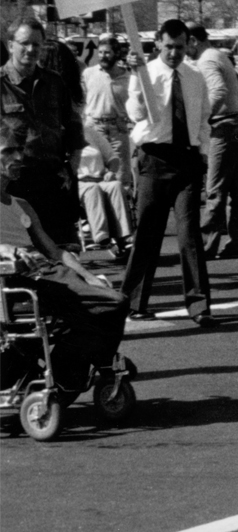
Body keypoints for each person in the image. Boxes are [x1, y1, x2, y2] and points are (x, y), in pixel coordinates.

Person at [0, 117, 129, 408]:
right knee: (114, 304)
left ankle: (65, 371)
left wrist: (87, 275)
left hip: (49, 273)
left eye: (19, 150)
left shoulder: (21, 204)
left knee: (112, 302)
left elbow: (55, 251)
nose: (18, 158)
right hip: (20, 280)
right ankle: (74, 369)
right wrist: (5, 248)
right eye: (8, 151)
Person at [122, 19, 216, 326]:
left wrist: (201, 150)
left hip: (186, 159)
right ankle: (134, 302)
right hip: (154, 157)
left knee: (190, 234)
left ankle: (199, 305)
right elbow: (135, 114)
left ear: (188, 44)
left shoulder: (194, 76)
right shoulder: (145, 73)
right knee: (148, 232)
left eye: (180, 46)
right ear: (157, 45)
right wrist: (136, 77)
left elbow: (203, 116)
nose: (175, 53)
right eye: (169, 47)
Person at [0, 18, 85, 251]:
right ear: (10, 45)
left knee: (63, 250)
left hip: (52, 180)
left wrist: (72, 167)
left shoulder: (54, 82)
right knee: (21, 253)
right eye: (24, 43)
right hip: (14, 183)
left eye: (37, 44)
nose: (31, 50)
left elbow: (74, 127)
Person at [186, 25, 238, 260]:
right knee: (234, 187)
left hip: (224, 128)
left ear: (193, 40)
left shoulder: (206, 60)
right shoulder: (218, 55)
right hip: (235, 127)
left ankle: (206, 245)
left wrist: (200, 119)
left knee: (214, 189)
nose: (185, 51)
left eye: (185, 44)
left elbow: (218, 91)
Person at [82, 32, 134, 192]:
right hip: (94, 129)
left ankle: (123, 210)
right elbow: (81, 101)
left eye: (107, 52)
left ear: (117, 54)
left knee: (120, 176)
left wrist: (126, 120)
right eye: (101, 52)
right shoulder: (89, 74)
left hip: (117, 132)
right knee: (94, 173)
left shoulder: (128, 77)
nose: (103, 56)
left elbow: (136, 105)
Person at [76, 119, 132, 258]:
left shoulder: (91, 132)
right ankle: (101, 236)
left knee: (116, 186)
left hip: (100, 179)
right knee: (92, 189)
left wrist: (111, 172)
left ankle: (124, 236)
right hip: (78, 181)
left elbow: (112, 157)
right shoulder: (63, 135)